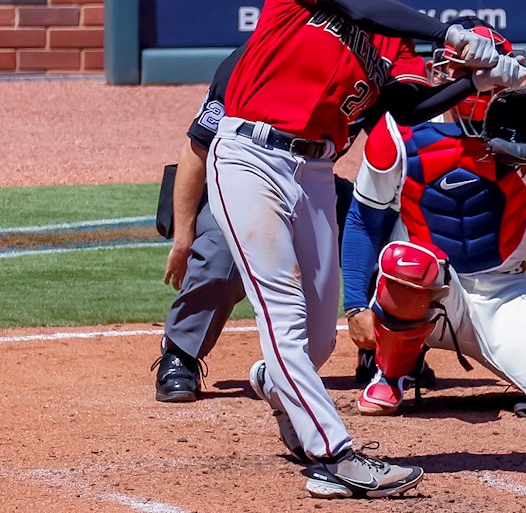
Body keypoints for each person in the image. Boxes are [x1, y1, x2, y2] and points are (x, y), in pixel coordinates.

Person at [205, 0, 526, 499]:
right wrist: (451, 35)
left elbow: (403, 108)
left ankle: (278, 380)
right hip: (249, 155)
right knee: (282, 314)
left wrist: (476, 84)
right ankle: (334, 458)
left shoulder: (390, 42)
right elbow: (357, 6)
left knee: (321, 337)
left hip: (316, 172)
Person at [340, 20, 526, 421]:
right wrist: (355, 305)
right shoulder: (401, 130)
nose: (474, 83)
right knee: (409, 262)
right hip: (425, 292)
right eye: (464, 72)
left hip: (504, 293)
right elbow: (365, 221)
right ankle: (391, 373)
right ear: (444, 73)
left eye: (482, 73)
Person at [151, 46, 428, 402]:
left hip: (312, 183)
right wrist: (184, 238)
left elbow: (402, 140)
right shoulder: (251, 62)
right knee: (222, 254)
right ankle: (181, 353)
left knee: (384, 231)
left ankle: (384, 352)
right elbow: (197, 150)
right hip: (238, 180)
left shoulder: (366, 71)